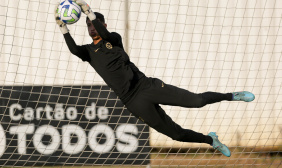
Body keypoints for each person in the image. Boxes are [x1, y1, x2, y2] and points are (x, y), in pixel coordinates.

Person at [54, 0, 255, 157]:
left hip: (147, 86)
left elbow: (105, 33)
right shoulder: (88, 52)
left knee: (197, 101)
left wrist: (89, 11)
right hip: (133, 101)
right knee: (176, 134)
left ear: (103, 24)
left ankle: (232, 95)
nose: (91, 27)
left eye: (94, 23)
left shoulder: (113, 39)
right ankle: (211, 141)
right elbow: (73, 49)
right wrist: (63, 27)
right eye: (88, 25)